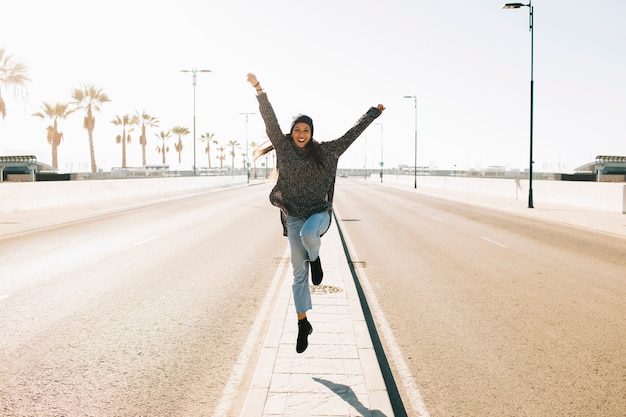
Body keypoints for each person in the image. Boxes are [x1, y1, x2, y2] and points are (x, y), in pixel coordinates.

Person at [247, 73, 385, 353]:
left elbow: (352, 133)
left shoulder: (325, 152)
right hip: (295, 214)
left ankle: (317, 258)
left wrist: (373, 113)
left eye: (305, 131)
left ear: (311, 133)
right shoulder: (284, 149)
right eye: (297, 130)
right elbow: (270, 120)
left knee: (311, 234)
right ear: (292, 132)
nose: (300, 135)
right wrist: (259, 89)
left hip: (319, 214)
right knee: (298, 276)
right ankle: (303, 324)